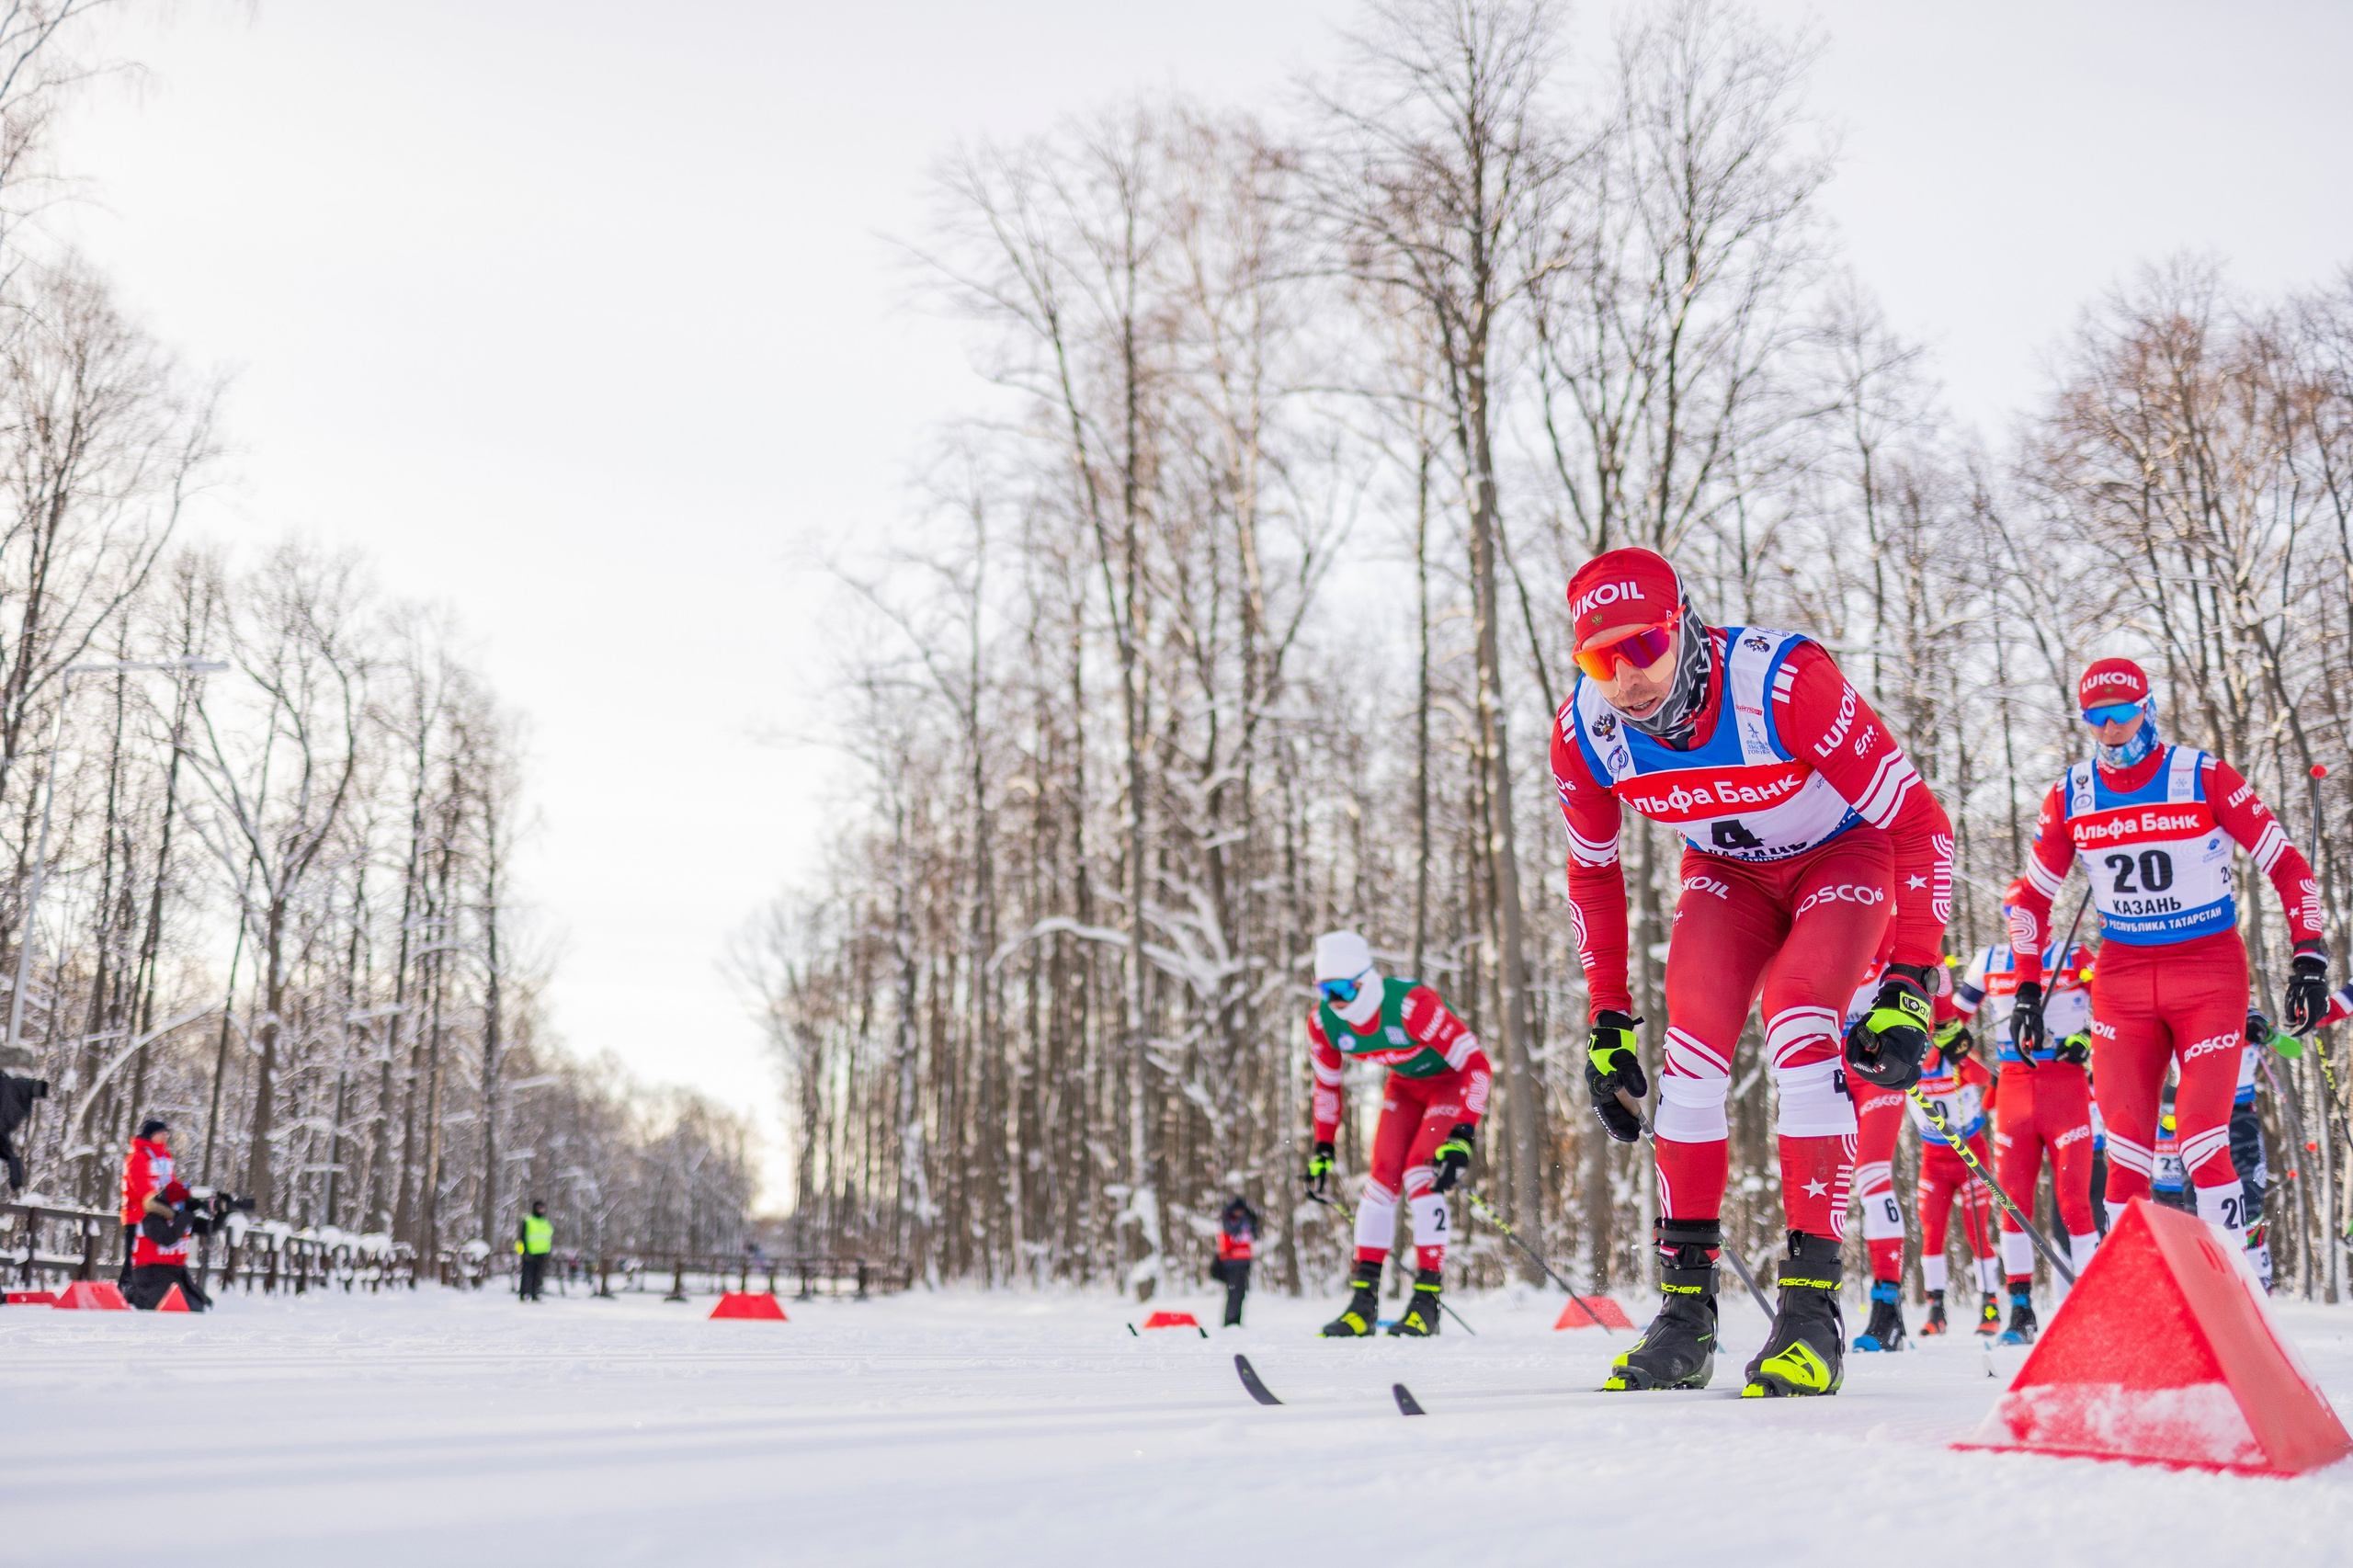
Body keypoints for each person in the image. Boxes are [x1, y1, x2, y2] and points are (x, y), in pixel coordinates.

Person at [1552, 548, 1953, 1397]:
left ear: (1685, 626)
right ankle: (1685, 1319)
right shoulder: (1586, 733)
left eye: (1642, 648)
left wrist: (1913, 981)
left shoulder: (1781, 684)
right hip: (1728, 878)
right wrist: (1607, 1019)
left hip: (1845, 855)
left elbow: (1921, 822)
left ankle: (1809, 1316)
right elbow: (1593, 872)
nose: (1625, 677)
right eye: (1599, 658)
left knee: (1800, 1024)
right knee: (1688, 1063)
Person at [2006, 658, 2330, 1264]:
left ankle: (2232, 1292)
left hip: (2208, 974)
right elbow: (2030, 899)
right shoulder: (2071, 793)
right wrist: (2028, 991)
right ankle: (2139, 1308)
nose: (2110, 729)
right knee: (2126, 1152)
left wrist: (2309, 959)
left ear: (2147, 709)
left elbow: (2288, 865)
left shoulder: (2201, 775)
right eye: (2096, 718)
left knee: (2203, 1140)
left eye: (2122, 714)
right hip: (2123, 980)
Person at [1303, 929, 1490, 1338]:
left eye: (1342, 989)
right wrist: (1322, 1147)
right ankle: (1362, 1304)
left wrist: (1462, 1135)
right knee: (1380, 1180)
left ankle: (1427, 1301)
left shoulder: (1410, 1006)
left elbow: (1477, 1066)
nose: (1335, 1000)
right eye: (1324, 989)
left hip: (1449, 1083)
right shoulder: (1323, 1022)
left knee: (1419, 1176)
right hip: (1404, 1087)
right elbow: (1326, 1087)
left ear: (1365, 980)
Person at [1951, 883, 2099, 1346]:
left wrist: (2090, 1039)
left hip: (2067, 1088)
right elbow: (1951, 1022)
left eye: (2029, 913)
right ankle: (2020, 1308)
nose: (2023, 924)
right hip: (2014, 1089)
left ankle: (2092, 1305)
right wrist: (1969, 1062)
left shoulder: (2074, 955)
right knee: (2012, 1203)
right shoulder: (1988, 960)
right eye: (2014, 914)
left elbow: (2114, 1003)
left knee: (2074, 1202)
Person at [119, 1121, 216, 1311]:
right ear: (150, 1134)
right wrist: (157, 1202)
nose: (165, 1136)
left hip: (160, 1214)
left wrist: (185, 1196)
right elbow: (140, 1185)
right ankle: (125, 1288)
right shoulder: (137, 1156)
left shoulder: (164, 1156)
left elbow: (170, 1184)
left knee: (151, 1256)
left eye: (166, 1133)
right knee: (133, 1255)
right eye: (160, 1133)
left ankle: (147, 1291)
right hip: (138, 1214)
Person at [1211, 1196, 1257, 1327]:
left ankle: (1236, 1320)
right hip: (1231, 1263)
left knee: (1240, 1293)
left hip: (1244, 1263)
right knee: (1234, 1292)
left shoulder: (1248, 1221)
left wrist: (1251, 1220)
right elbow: (1233, 1234)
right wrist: (1243, 1221)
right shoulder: (1228, 1221)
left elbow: (1254, 1236)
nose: (1240, 1213)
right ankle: (1230, 1321)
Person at [517, 1200, 553, 1301]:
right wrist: (522, 1252)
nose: (541, 1210)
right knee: (527, 1275)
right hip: (529, 1253)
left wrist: (549, 1252)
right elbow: (520, 1238)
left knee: (538, 1275)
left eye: (542, 1208)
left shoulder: (545, 1222)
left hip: (542, 1253)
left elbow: (548, 1238)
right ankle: (523, 1294)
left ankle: (535, 1294)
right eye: (539, 1208)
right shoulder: (528, 1221)